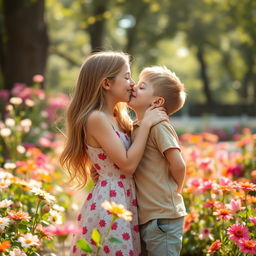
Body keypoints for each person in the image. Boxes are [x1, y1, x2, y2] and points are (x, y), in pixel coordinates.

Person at [59, 52, 168, 256]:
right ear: (107, 84)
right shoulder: (97, 118)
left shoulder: (116, 117)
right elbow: (127, 165)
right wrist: (146, 124)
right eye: (126, 76)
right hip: (111, 202)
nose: (132, 82)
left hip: (123, 196)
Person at [128, 66, 187, 256]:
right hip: (149, 216)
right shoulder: (137, 127)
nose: (134, 87)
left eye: (142, 87)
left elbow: (178, 164)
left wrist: (177, 189)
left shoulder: (159, 126)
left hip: (164, 217)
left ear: (157, 101)